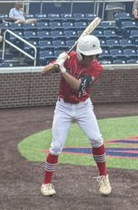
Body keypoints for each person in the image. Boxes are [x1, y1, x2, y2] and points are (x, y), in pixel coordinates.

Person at [38, 33, 110, 197]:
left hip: (83, 107)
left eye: (95, 55)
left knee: (97, 139)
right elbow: (43, 72)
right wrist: (57, 63)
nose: (93, 59)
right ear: (80, 54)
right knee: (56, 147)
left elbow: (78, 87)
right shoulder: (68, 58)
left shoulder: (96, 67)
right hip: (63, 107)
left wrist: (62, 71)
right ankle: (46, 183)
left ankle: (103, 177)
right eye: (89, 56)